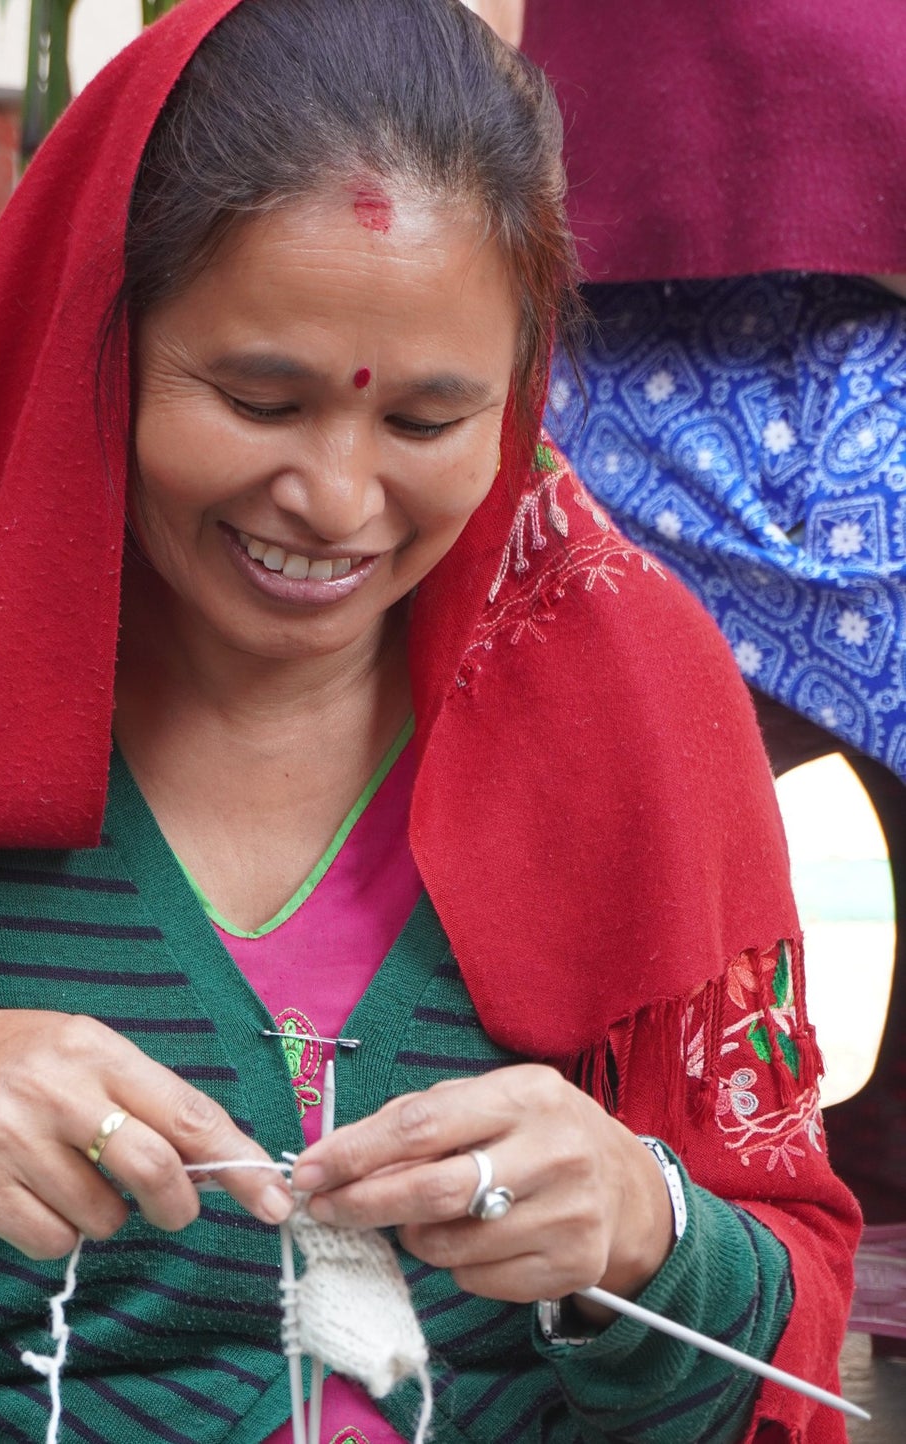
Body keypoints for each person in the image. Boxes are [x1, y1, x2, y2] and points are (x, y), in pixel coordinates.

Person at [0, 2, 859, 1441]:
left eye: (427, 423)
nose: (338, 498)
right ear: (100, 346)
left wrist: (643, 1232)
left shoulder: (631, 720)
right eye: (256, 397)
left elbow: (784, 1339)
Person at [516, 0, 906, 1244]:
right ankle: (602, 1173)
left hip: (858, 343)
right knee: (565, 791)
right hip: (606, 338)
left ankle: (873, 1179)